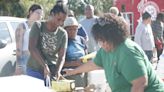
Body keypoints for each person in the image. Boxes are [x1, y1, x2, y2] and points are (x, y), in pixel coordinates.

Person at [64, 13, 164, 92]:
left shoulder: (127, 51)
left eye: (104, 40)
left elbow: (140, 83)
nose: (102, 44)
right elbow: (94, 64)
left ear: (114, 36)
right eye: (100, 40)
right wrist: (73, 71)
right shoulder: (105, 50)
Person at [26, 4, 68, 80]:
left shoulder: (63, 34)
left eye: (63, 21)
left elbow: (61, 56)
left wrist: (58, 71)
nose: (61, 23)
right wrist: (44, 66)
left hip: (51, 72)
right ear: (52, 14)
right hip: (35, 70)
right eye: (59, 19)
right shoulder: (38, 26)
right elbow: (32, 48)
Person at [15, 4, 43, 75]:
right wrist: (19, 66)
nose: (40, 16)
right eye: (38, 13)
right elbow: (18, 49)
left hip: (37, 61)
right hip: (26, 60)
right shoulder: (22, 26)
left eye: (41, 14)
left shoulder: (40, 27)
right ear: (31, 12)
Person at [63, 17, 87, 87]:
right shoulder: (63, 41)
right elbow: (58, 62)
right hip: (68, 77)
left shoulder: (81, 39)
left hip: (82, 75)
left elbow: (86, 56)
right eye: (70, 29)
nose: (73, 31)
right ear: (65, 29)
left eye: (75, 29)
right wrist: (74, 63)